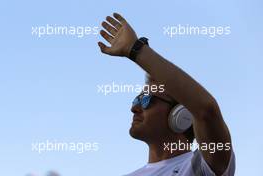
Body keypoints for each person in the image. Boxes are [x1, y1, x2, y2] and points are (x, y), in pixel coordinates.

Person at [98, 13, 235, 176]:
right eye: (137, 99)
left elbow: (205, 110)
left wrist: (137, 51)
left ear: (180, 116)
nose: (134, 107)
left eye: (146, 100)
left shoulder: (201, 167)